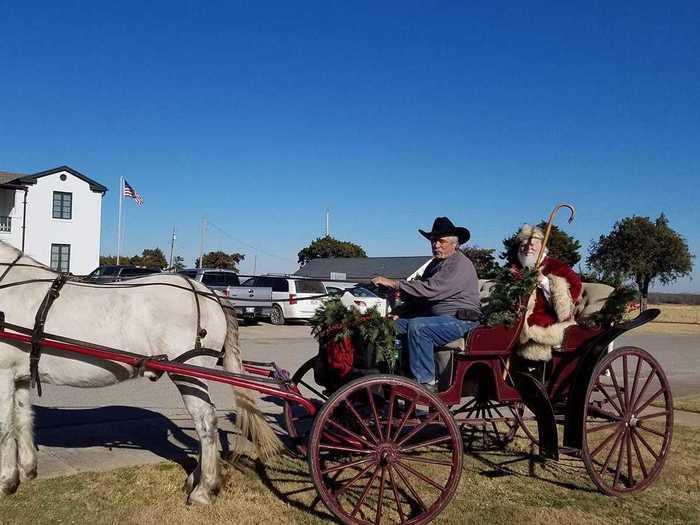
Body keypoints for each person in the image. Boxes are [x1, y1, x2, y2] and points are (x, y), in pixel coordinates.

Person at [372, 217, 481, 391]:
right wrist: (401, 312)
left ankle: (425, 384)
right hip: (438, 319)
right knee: (391, 327)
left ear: (455, 244)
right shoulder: (435, 264)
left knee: (419, 327)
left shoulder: (459, 263)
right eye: (433, 241)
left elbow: (431, 289)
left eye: (441, 241)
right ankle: (395, 372)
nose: (435, 245)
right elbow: (422, 299)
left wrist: (395, 283)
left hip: (461, 320)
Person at [511, 224, 582, 361]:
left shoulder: (558, 267)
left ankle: (531, 368)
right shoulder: (516, 268)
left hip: (549, 317)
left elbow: (567, 303)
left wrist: (543, 281)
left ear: (542, 246)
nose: (528, 248)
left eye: (533, 244)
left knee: (527, 327)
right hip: (517, 314)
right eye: (523, 245)